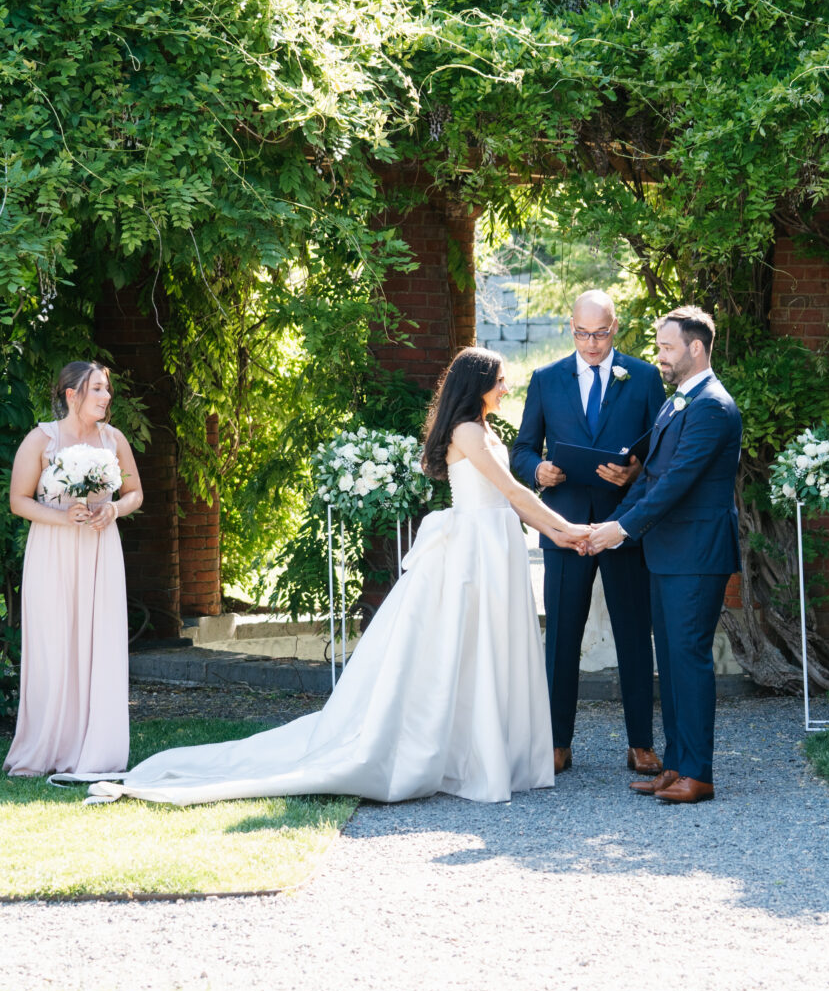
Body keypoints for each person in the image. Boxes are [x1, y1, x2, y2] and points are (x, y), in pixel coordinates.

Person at [88, 348, 589, 807]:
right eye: (500, 381)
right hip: (472, 553)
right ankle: (465, 756)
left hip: (493, 546)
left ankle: (490, 751)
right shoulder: (467, 432)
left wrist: (560, 532)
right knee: (461, 650)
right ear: (476, 383)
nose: (506, 388)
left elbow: (515, 500)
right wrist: (568, 530)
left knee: (488, 650)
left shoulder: (487, 430)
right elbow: (513, 493)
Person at [586, 307, 742, 805]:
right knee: (672, 663)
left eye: (668, 348)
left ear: (696, 348)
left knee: (689, 658)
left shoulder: (712, 406)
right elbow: (651, 476)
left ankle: (699, 773)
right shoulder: (677, 403)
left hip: (697, 555)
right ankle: (675, 766)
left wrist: (620, 530)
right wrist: (609, 526)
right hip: (665, 554)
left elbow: (676, 484)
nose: (660, 357)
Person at [512, 290, 666, 777]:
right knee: (560, 635)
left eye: (600, 333)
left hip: (623, 526)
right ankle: (557, 742)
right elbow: (520, 450)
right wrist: (539, 472)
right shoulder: (545, 379)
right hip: (563, 528)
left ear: (615, 327)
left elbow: (664, 454)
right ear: (570, 327)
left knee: (633, 634)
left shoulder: (642, 378)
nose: (592, 343)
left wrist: (635, 472)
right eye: (582, 333)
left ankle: (641, 743)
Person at [5, 361, 143, 778]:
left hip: (100, 549)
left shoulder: (113, 439)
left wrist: (115, 508)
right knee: (55, 644)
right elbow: (18, 501)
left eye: (107, 391)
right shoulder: (40, 440)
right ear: (71, 394)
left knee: (97, 642)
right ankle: (48, 747)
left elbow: (135, 491)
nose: (106, 398)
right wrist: (62, 516)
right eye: (98, 390)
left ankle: (96, 748)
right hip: (53, 549)